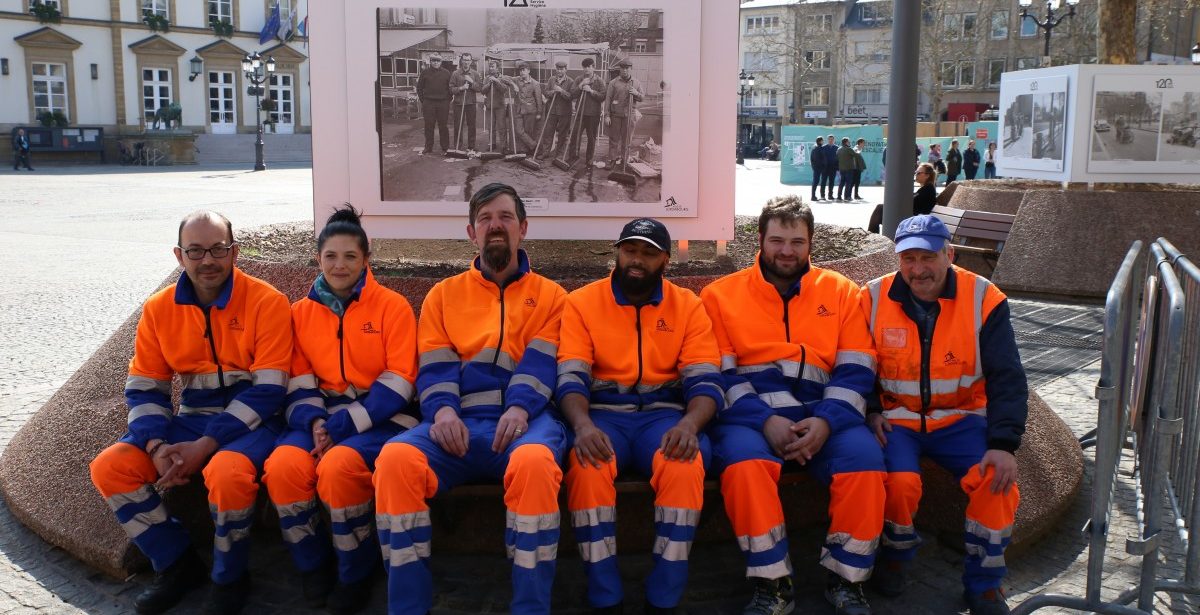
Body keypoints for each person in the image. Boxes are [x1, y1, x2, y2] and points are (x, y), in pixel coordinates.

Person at [373, 183, 568, 615]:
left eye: (505, 218)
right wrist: (442, 412)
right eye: (485, 219)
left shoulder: (553, 296)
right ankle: (407, 607)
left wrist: (519, 408)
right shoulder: (443, 294)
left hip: (527, 421)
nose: (495, 226)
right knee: (395, 461)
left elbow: (542, 363)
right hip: (457, 422)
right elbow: (436, 366)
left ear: (524, 229)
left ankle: (531, 607)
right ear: (470, 232)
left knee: (535, 464)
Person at [89, 211, 292, 615]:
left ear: (234, 252)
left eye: (218, 249)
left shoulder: (267, 301)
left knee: (227, 474)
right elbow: (146, 384)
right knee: (110, 468)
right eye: (196, 250)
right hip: (189, 420)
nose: (208, 260)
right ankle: (178, 565)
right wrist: (155, 443)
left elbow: (269, 391)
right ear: (179, 256)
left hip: (254, 422)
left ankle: (230, 575)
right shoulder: (158, 309)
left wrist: (206, 444)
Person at [701, 196, 885, 615]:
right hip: (748, 420)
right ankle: (773, 584)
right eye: (778, 240)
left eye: (797, 241)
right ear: (760, 240)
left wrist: (825, 422)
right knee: (746, 469)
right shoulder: (719, 296)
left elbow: (857, 368)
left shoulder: (841, 292)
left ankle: (847, 580)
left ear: (811, 243)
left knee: (866, 466)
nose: (787, 251)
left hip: (827, 417)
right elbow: (718, 374)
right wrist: (766, 422)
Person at [860, 215, 1027, 615]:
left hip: (962, 420)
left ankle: (985, 584)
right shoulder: (871, 297)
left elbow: (1007, 375)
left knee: (996, 484)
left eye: (929, 256)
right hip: (897, 420)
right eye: (909, 258)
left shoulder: (983, 298)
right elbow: (854, 363)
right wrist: (870, 409)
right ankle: (896, 557)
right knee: (899, 485)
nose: (919, 269)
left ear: (949, 254)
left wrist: (1004, 444)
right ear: (898, 259)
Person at [558, 217, 723, 614]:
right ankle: (604, 593)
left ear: (666, 260)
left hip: (665, 419)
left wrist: (689, 424)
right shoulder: (581, 302)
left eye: (649, 253)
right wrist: (581, 427)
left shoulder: (688, 306)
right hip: (602, 417)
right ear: (617, 252)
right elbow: (570, 378)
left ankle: (664, 594)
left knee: (685, 466)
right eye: (630, 250)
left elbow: (706, 382)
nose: (637, 260)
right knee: (587, 467)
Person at [261, 206, 418, 614]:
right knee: (282, 469)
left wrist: (343, 425)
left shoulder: (393, 306)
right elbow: (298, 378)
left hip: (380, 419)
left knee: (336, 470)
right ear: (318, 259)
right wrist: (316, 423)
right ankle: (313, 565)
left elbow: (401, 378)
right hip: (315, 418)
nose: (340, 264)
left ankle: (356, 569)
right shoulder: (298, 314)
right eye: (331, 256)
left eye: (350, 256)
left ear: (367, 259)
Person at [604, 59, 644, 169]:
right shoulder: (613, 83)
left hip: (630, 115)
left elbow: (642, 97)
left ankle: (624, 160)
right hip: (616, 115)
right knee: (613, 139)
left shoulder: (636, 83)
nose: (625, 70)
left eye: (627, 68)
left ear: (631, 69)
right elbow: (608, 99)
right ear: (620, 69)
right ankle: (612, 159)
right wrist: (607, 115)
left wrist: (636, 93)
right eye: (623, 68)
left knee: (627, 140)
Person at [570, 57, 606, 167]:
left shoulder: (599, 81)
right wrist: (581, 86)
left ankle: (589, 159)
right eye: (585, 67)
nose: (587, 69)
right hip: (580, 112)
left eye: (589, 67)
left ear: (593, 67)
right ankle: (573, 157)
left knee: (591, 137)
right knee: (575, 135)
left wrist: (591, 91)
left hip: (593, 114)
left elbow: (603, 96)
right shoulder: (578, 79)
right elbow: (572, 94)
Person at [539, 60, 575, 161]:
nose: (559, 71)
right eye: (558, 69)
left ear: (566, 70)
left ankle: (559, 155)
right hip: (552, 111)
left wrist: (561, 91)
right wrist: (553, 91)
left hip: (564, 112)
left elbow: (571, 96)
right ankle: (546, 152)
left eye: (561, 69)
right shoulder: (551, 80)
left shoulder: (570, 81)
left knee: (563, 134)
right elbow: (546, 92)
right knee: (548, 133)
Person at [417, 54, 451, 155]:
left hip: (443, 103)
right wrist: (424, 100)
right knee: (429, 126)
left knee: (443, 126)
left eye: (438, 61)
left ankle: (445, 147)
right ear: (430, 62)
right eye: (433, 60)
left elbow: (450, 88)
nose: (436, 62)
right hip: (429, 103)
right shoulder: (425, 73)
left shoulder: (446, 73)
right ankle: (428, 147)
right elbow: (419, 88)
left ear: (441, 62)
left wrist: (447, 100)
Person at [448, 53, 482, 153]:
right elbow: (450, 89)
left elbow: (479, 88)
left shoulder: (475, 74)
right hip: (459, 103)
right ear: (461, 61)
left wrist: (471, 82)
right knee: (458, 125)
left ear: (471, 61)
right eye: (464, 60)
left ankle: (471, 146)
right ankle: (458, 145)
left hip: (471, 103)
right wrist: (461, 88)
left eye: (468, 60)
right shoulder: (455, 73)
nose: (466, 62)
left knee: (472, 125)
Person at [483, 59, 517, 155]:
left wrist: (496, 81)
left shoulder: (503, 78)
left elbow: (504, 89)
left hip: (500, 106)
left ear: (498, 68)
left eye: (493, 67)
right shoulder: (487, 78)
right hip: (490, 105)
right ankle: (492, 143)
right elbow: (482, 90)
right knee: (491, 127)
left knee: (502, 127)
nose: (491, 68)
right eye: (490, 67)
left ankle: (503, 146)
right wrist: (489, 84)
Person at [513, 63, 544, 157]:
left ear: (528, 71)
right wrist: (512, 84)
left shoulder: (535, 84)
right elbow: (505, 78)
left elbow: (538, 99)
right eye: (520, 70)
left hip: (530, 111)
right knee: (519, 130)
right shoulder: (517, 80)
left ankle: (525, 151)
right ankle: (534, 146)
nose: (522, 72)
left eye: (524, 70)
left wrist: (539, 112)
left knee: (528, 131)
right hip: (519, 109)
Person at [821, 135, 839, 201]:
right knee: (823, 182)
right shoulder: (823, 147)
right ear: (827, 140)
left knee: (831, 182)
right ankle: (822, 195)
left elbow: (838, 159)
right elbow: (821, 158)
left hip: (833, 168)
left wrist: (837, 167)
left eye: (832, 139)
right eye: (829, 139)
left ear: (834, 140)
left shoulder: (837, 148)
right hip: (825, 168)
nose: (831, 140)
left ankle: (830, 195)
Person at [810, 136, 827, 201]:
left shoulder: (816, 147)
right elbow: (817, 159)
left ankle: (815, 196)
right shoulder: (817, 148)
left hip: (817, 168)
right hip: (818, 168)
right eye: (822, 140)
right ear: (820, 141)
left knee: (816, 181)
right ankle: (813, 196)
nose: (823, 142)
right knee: (816, 182)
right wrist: (822, 166)